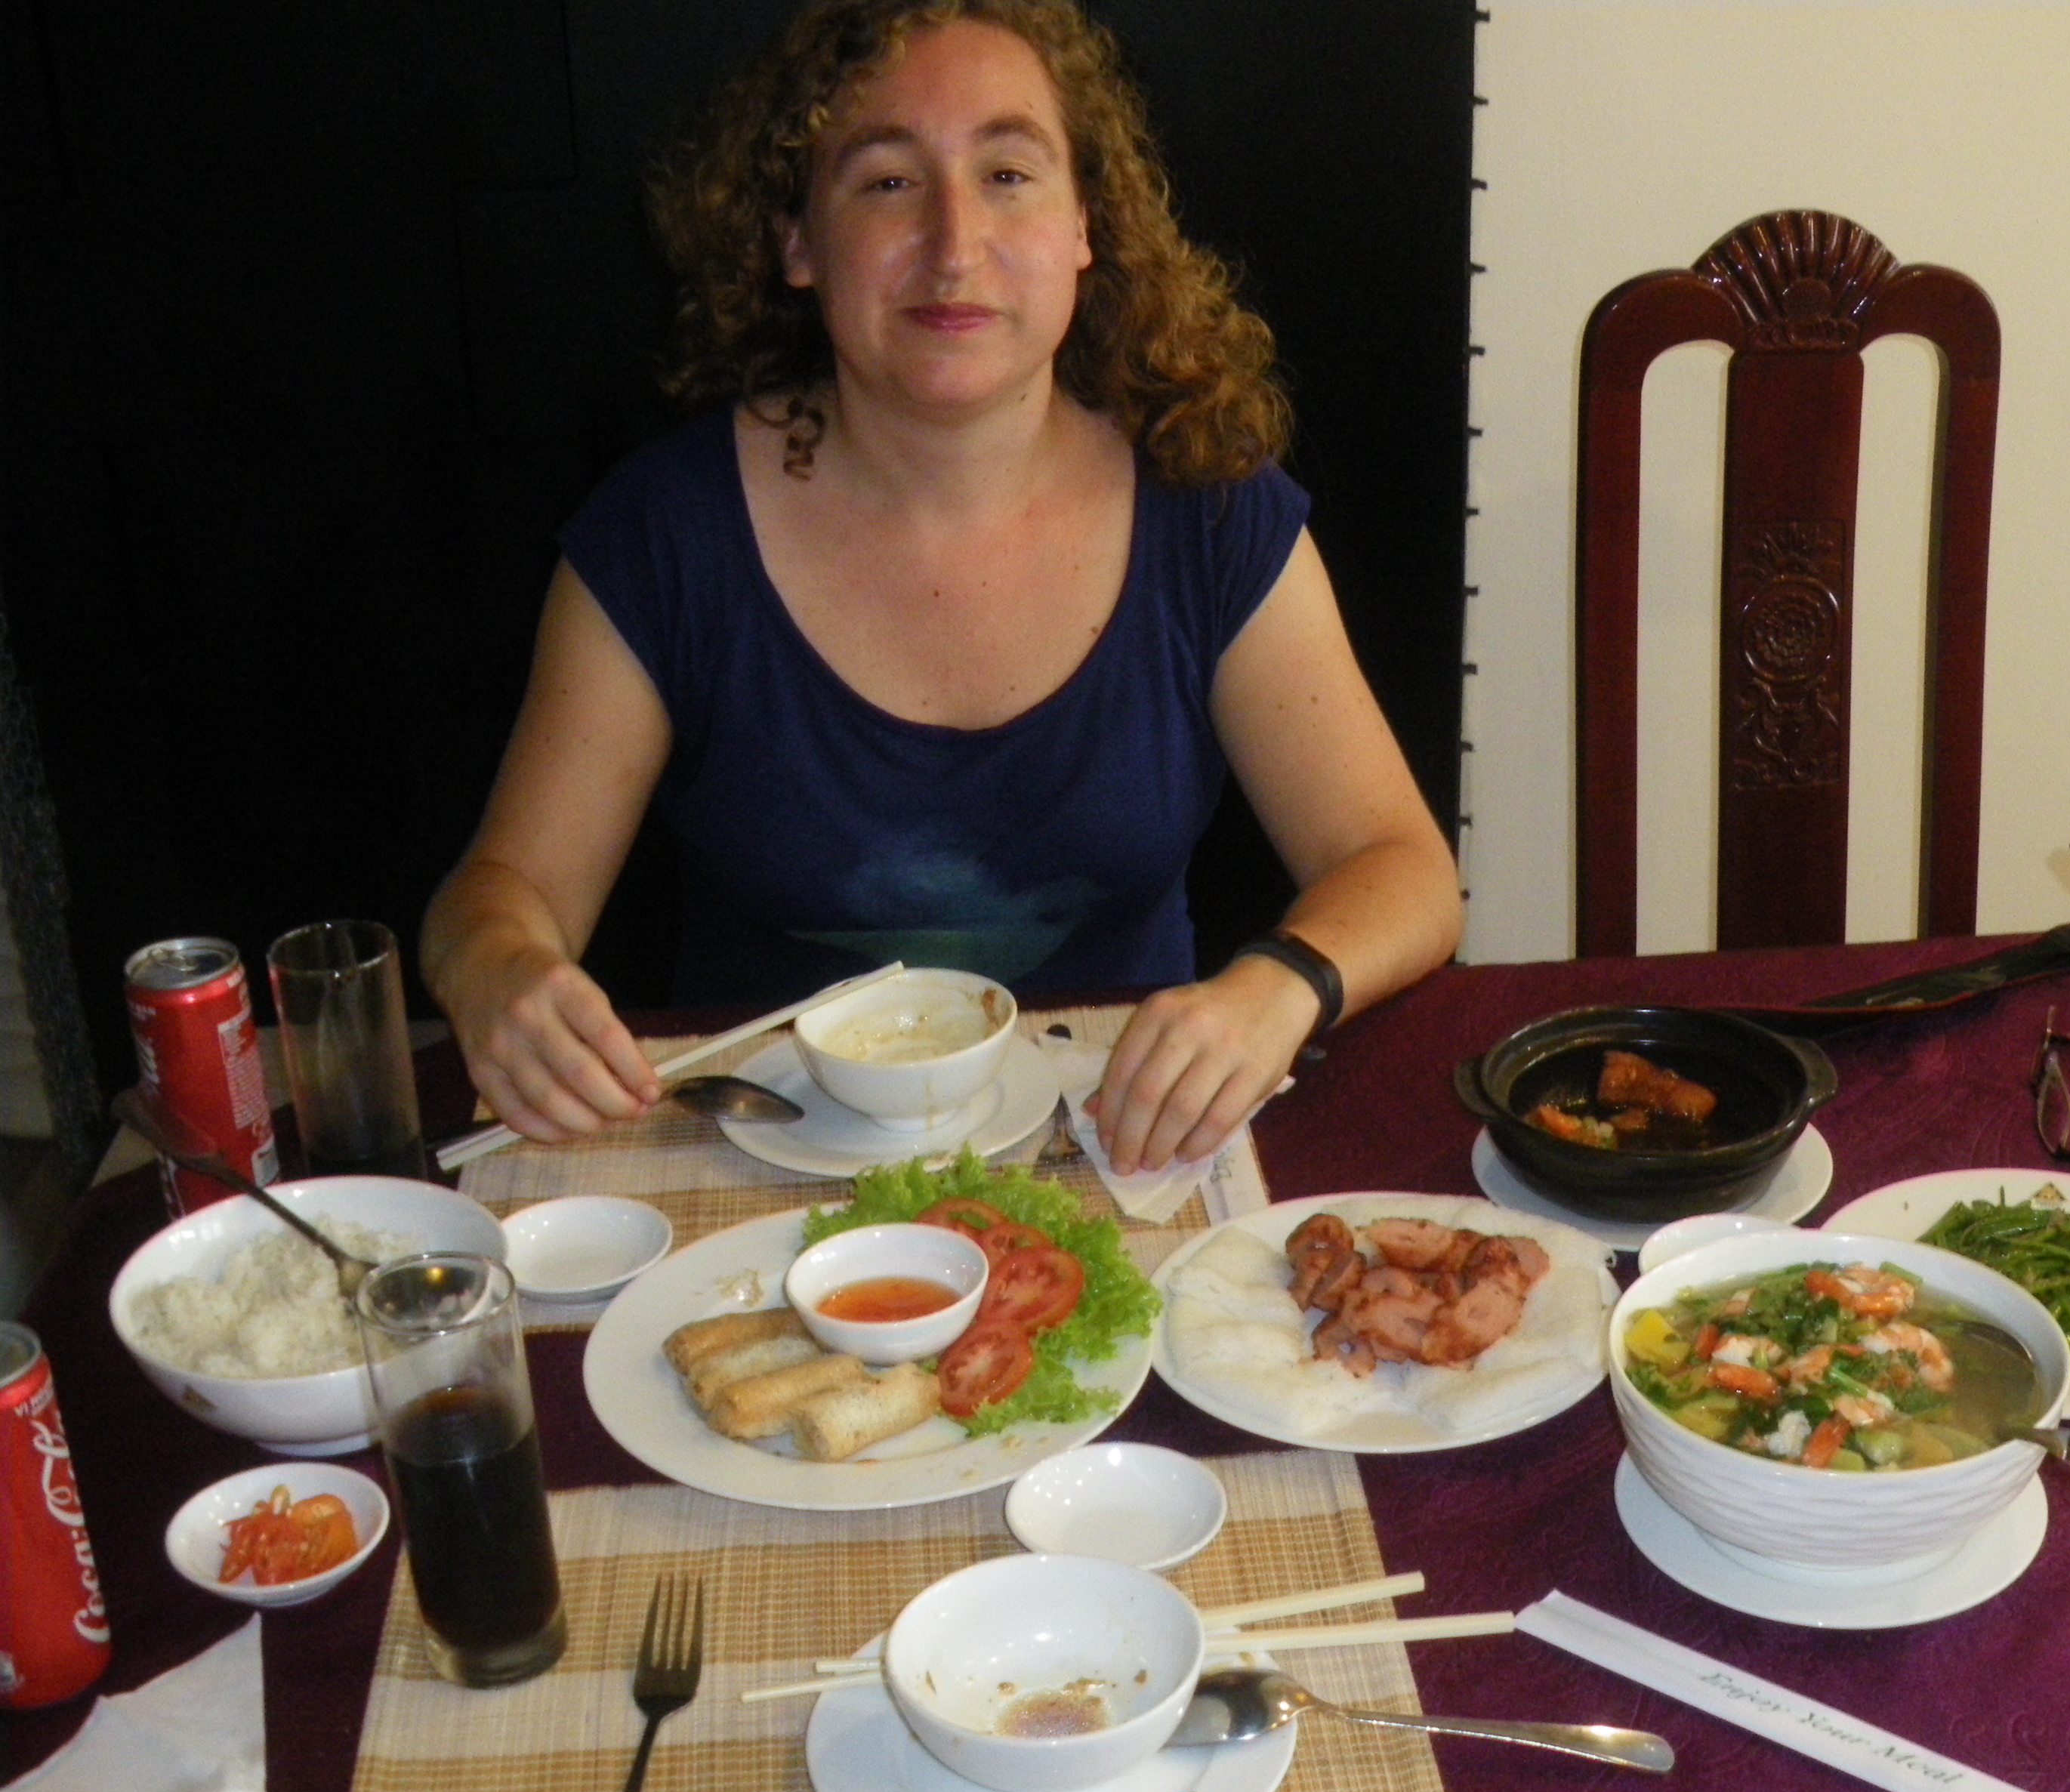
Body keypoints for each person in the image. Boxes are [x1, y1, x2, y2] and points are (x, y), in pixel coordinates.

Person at [420, 0, 1460, 1173]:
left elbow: (1403, 869)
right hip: (760, 1174)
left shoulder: (1206, 506)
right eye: (887, 183)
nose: (954, 244)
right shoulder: (665, 532)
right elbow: (496, 895)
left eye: (1008, 174)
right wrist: (498, 970)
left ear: (1084, 223)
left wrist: (1280, 983)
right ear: (797, 241)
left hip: (1117, 1150)